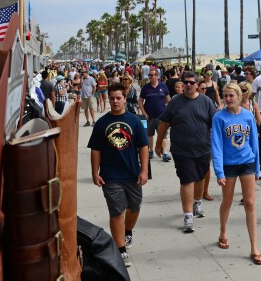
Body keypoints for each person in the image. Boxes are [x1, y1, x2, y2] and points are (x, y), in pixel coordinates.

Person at [88, 82, 149, 269]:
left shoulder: (134, 121)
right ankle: (120, 249)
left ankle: (127, 230)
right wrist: (94, 173)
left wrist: (144, 170)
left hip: (132, 173)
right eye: (112, 98)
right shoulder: (102, 123)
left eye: (118, 98)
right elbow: (96, 150)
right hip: (110, 175)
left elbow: (143, 147)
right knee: (116, 211)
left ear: (125, 98)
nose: (115, 101)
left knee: (135, 207)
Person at [156, 71, 218, 233]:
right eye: (186, 82)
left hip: (203, 149)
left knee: (199, 178)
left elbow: (215, 125)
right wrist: (158, 143)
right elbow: (164, 123)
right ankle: (188, 215)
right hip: (181, 150)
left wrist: (218, 147)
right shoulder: (175, 102)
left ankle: (197, 202)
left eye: (192, 82)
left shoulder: (206, 102)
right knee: (187, 180)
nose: (189, 85)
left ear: (198, 84)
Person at [211, 83, 261, 265]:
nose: (228, 99)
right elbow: (216, 146)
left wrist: (257, 167)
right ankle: (223, 232)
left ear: (239, 96)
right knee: (227, 201)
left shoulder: (248, 116)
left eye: (231, 95)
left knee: (250, 203)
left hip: (247, 162)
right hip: (228, 166)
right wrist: (219, 172)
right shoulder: (219, 118)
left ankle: (254, 247)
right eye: (225, 96)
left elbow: (255, 144)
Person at [139, 68, 171, 162]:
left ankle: (165, 153)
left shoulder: (163, 86)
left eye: (152, 75)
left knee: (164, 135)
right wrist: (144, 113)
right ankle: (151, 151)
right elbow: (140, 101)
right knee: (150, 134)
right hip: (149, 116)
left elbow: (168, 99)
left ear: (157, 76)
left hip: (162, 116)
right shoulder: (146, 87)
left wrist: (168, 110)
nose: (150, 77)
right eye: (149, 75)